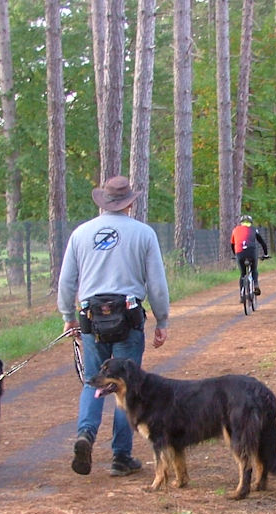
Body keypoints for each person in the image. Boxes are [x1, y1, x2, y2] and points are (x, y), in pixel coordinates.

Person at [58, 175, 170, 477]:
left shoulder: (80, 234)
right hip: (128, 318)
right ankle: (121, 456)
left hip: (91, 319)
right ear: (130, 203)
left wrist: (67, 315)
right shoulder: (143, 234)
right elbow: (156, 283)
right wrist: (162, 319)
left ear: (103, 202)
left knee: (93, 380)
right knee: (128, 386)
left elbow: (67, 280)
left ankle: (86, 434)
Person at [230, 215, 270, 298]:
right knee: (254, 269)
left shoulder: (235, 230)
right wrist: (265, 254)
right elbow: (262, 243)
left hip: (239, 252)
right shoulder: (254, 229)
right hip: (251, 252)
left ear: (241, 223)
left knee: (243, 274)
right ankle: (255, 285)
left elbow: (232, 244)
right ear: (250, 223)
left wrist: (235, 255)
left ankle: (242, 294)